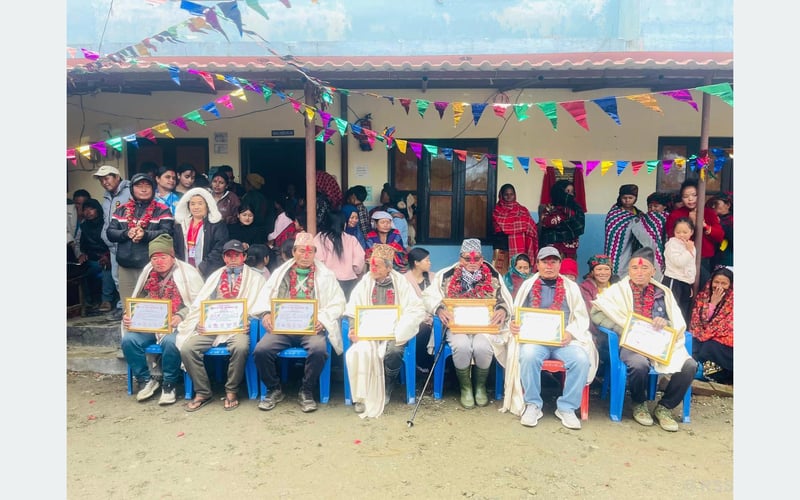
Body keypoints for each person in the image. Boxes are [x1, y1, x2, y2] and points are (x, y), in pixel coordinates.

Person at [590, 246, 698, 432]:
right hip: (632, 343)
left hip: (660, 344)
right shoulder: (617, 291)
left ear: (653, 271)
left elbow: (677, 322)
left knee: (690, 365)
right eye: (634, 268)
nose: (639, 272)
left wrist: (665, 323)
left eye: (644, 268)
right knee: (639, 364)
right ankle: (639, 402)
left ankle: (664, 407)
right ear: (628, 270)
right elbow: (597, 312)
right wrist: (622, 327)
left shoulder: (663, 293)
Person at [502, 246, 598, 430]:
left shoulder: (571, 287)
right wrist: (514, 325)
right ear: (537, 264)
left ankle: (566, 407)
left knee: (581, 359)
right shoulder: (528, 286)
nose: (549, 266)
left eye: (553, 262)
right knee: (528, 355)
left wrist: (570, 333)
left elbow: (581, 317)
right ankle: (533, 404)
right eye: (544, 262)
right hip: (535, 341)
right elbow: (515, 315)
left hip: (564, 341)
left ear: (559, 264)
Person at [253, 232, 347, 413]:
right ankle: (274, 388)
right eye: (301, 251)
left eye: (310, 251)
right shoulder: (280, 273)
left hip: (311, 328)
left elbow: (338, 303)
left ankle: (307, 390)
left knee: (319, 349)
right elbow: (265, 297)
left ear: (315, 254)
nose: (306, 255)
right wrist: (266, 314)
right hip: (282, 328)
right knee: (261, 350)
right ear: (294, 252)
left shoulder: (326, 275)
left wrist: (323, 319)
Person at [178, 240, 269, 412]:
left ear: (244, 257)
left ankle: (231, 390)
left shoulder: (256, 279)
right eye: (229, 256)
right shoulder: (215, 276)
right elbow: (201, 304)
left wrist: (248, 321)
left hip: (239, 327)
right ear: (224, 258)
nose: (233, 259)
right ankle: (203, 392)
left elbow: (261, 305)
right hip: (213, 326)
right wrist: (200, 322)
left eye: (237, 255)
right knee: (188, 348)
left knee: (241, 346)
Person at [422, 238, 513, 409]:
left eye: (476, 259)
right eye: (467, 259)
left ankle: (479, 386)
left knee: (482, 347)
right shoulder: (446, 275)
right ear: (460, 258)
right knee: (462, 345)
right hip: (456, 326)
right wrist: (440, 309)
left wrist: (502, 309)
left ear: (482, 258)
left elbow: (504, 300)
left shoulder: (493, 275)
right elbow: (428, 296)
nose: (472, 263)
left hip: (485, 327)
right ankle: (466, 388)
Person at [121, 234, 204, 405]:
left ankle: (169, 384)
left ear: (172, 257)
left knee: (171, 342)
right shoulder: (148, 273)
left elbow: (199, 303)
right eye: (155, 258)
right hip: (151, 324)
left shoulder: (187, 273)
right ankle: (146, 380)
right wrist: (130, 315)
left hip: (179, 325)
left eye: (163, 257)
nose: (159, 261)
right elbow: (138, 299)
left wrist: (180, 315)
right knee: (129, 340)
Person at [345, 244, 427, 417]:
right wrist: (353, 327)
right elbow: (353, 308)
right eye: (371, 264)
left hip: (393, 332)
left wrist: (400, 329)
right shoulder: (364, 283)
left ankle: (387, 384)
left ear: (389, 267)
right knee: (358, 352)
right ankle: (361, 396)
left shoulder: (401, 283)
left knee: (395, 350)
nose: (372, 268)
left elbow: (415, 309)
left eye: (378, 265)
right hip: (369, 333)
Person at [106, 173, 174, 308]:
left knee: (151, 306)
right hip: (126, 265)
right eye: (139, 186)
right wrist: (126, 233)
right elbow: (110, 233)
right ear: (132, 189)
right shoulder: (121, 210)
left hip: (151, 267)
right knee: (128, 306)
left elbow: (168, 233)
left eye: (147, 186)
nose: (143, 189)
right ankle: (130, 329)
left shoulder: (162, 209)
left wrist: (145, 234)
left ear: (153, 189)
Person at [665, 178, 724, 287]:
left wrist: (705, 225)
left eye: (694, 195)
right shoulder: (675, 215)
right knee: (685, 292)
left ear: (701, 195)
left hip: (704, 258)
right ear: (682, 198)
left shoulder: (708, 213)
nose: (690, 199)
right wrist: (691, 223)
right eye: (686, 196)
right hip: (683, 259)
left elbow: (719, 236)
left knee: (704, 289)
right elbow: (672, 236)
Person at [603, 184, 666, 280]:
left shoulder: (639, 213)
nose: (627, 200)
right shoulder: (614, 213)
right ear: (620, 197)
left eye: (630, 198)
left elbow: (645, 229)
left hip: (633, 249)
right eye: (624, 197)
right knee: (617, 270)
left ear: (635, 198)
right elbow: (613, 235)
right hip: (619, 249)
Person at [93, 164, 131, 315]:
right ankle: (123, 308)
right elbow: (106, 220)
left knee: (131, 278)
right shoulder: (107, 196)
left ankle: (131, 309)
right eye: (101, 180)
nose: (104, 182)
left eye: (107, 178)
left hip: (127, 243)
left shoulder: (129, 192)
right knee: (117, 278)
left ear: (117, 177)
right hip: (112, 245)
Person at [689, 266, 734, 384]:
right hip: (704, 335)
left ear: (730, 285)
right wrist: (713, 303)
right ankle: (700, 370)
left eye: (724, 283)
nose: (719, 286)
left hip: (723, 341)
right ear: (711, 282)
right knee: (693, 343)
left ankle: (705, 372)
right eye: (716, 282)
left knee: (710, 347)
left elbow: (727, 325)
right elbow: (698, 322)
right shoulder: (703, 297)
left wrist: (708, 334)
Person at [172, 187, 228, 279]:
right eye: (192, 204)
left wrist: (202, 268)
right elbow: (176, 248)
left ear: (207, 205)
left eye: (200, 203)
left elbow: (219, 249)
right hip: (185, 272)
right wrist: (181, 268)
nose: (196, 207)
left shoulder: (216, 225)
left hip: (208, 273)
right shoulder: (181, 225)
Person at [313, 209, 366, 299]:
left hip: (327, 281)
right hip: (349, 281)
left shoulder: (320, 238)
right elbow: (359, 261)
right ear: (344, 224)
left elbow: (318, 260)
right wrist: (355, 271)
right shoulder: (351, 239)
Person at [579, 254, 618, 368]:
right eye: (599, 269)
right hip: (597, 329)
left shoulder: (618, 287)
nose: (603, 273)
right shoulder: (585, 288)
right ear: (592, 272)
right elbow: (589, 313)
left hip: (617, 327)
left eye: (606, 269)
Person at [76, 198, 115, 311]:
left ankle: (106, 300)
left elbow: (113, 244)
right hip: (90, 259)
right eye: (85, 209)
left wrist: (107, 256)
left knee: (106, 268)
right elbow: (78, 243)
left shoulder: (106, 223)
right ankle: (88, 301)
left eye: (91, 209)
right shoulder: (83, 226)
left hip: (106, 257)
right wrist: (81, 254)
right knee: (83, 272)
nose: (88, 212)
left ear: (97, 210)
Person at [492, 183, 538, 274]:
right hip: (502, 249)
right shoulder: (497, 211)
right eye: (506, 194)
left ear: (515, 195)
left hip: (520, 249)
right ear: (501, 196)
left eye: (511, 194)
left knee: (518, 276)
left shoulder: (522, 210)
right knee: (500, 276)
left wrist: (521, 225)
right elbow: (500, 229)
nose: (509, 197)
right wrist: (522, 225)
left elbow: (531, 226)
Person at [405, 247, 437, 371]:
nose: (430, 263)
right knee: (422, 329)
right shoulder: (404, 280)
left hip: (434, 314)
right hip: (413, 316)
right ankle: (422, 363)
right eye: (427, 260)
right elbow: (405, 304)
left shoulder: (434, 277)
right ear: (416, 263)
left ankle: (440, 366)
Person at [537, 179, 585, 260]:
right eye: (567, 191)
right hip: (551, 250)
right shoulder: (549, 208)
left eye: (572, 192)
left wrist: (557, 224)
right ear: (559, 192)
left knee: (568, 272)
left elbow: (579, 228)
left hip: (570, 251)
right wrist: (566, 221)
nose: (570, 194)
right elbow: (545, 223)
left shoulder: (577, 208)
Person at [662, 217, 697, 323]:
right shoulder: (672, 244)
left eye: (685, 232)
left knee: (683, 310)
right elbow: (678, 262)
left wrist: (690, 282)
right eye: (678, 232)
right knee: (671, 309)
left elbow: (691, 266)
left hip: (684, 283)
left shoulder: (690, 245)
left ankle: (680, 334)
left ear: (691, 232)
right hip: (674, 280)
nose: (681, 235)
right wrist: (689, 251)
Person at [710, 193, 733, 268]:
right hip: (713, 258)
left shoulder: (732, 220)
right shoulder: (713, 218)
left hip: (728, 260)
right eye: (713, 204)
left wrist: (720, 225)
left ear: (728, 205)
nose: (713, 206)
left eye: (717, 203)